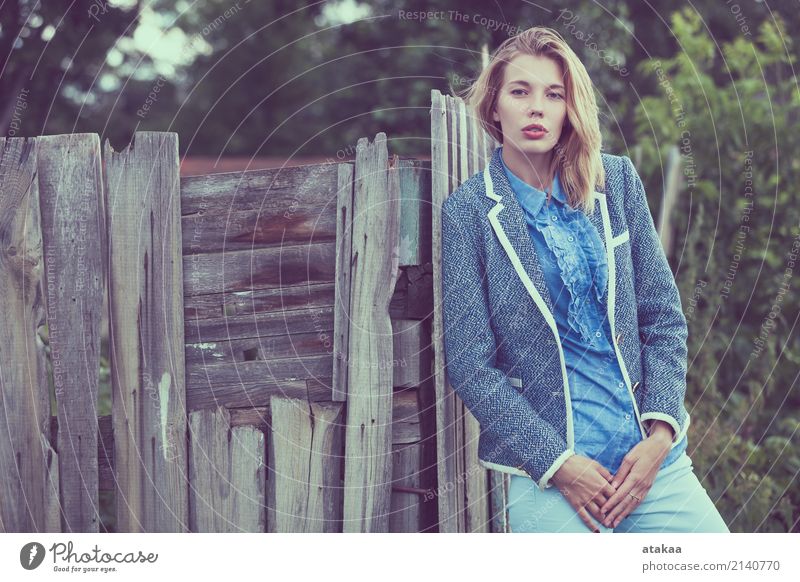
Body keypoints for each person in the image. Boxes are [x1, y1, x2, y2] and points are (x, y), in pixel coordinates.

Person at [440, 26, 729, 533]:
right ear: (494, 106)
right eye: (520, 92)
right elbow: (470, 364)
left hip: (649, 461)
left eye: (554, 95)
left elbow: (663, 317)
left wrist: (661, 432)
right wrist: (557, 463)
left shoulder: (614, 182)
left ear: (569, 107)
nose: (537, 108)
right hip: (551, 476)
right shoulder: (467, 213)